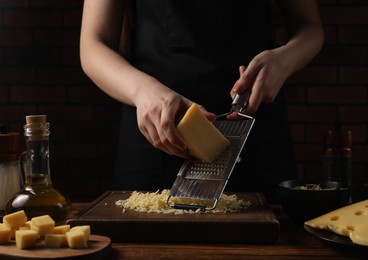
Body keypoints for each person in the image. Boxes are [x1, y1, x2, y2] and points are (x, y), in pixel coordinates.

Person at [79, 0, 324, 201]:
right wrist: (144, 92)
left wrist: (285, 59)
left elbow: (309, 27)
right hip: (158, 131)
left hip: (254, 128)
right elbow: (93, 44)